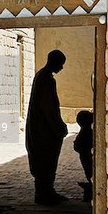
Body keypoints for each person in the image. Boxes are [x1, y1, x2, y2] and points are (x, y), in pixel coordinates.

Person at [26, 50, 68, 205]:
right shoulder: (47, 79)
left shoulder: (42, 76)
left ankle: (46, 191)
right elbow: (48, 107)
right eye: (61, 64)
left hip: (41, 128)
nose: (62, 68)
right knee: (46, 161)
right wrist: (58, 126)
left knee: (45, 162)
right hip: (44, 130)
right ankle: (44, 194)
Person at [74, 110, 93, 202]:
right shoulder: (87, 131)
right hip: (86, 156)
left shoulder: (85, 132)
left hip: (86, 157)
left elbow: (77, 146)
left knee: (90, 173)